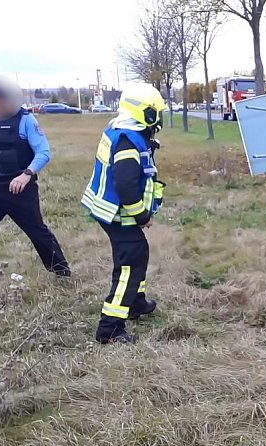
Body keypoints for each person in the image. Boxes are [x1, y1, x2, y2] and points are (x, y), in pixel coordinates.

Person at [81, 84, 167, 344]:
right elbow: (127, 186)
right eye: (156, 113)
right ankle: (110, 328)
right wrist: (142, 216)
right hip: (119, 214)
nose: (159, 119)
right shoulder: (128, 141)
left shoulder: (122, 130)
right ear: (144, 113)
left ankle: (136, 303)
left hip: (111, 212)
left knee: (137, 255)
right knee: (130, 265)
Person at [0, 75, 70, 291]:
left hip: (19, 188)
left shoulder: (25, 120)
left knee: (37, 231)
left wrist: (27, 174)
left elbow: (44, 152)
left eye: (1, 99)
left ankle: (62, 272)